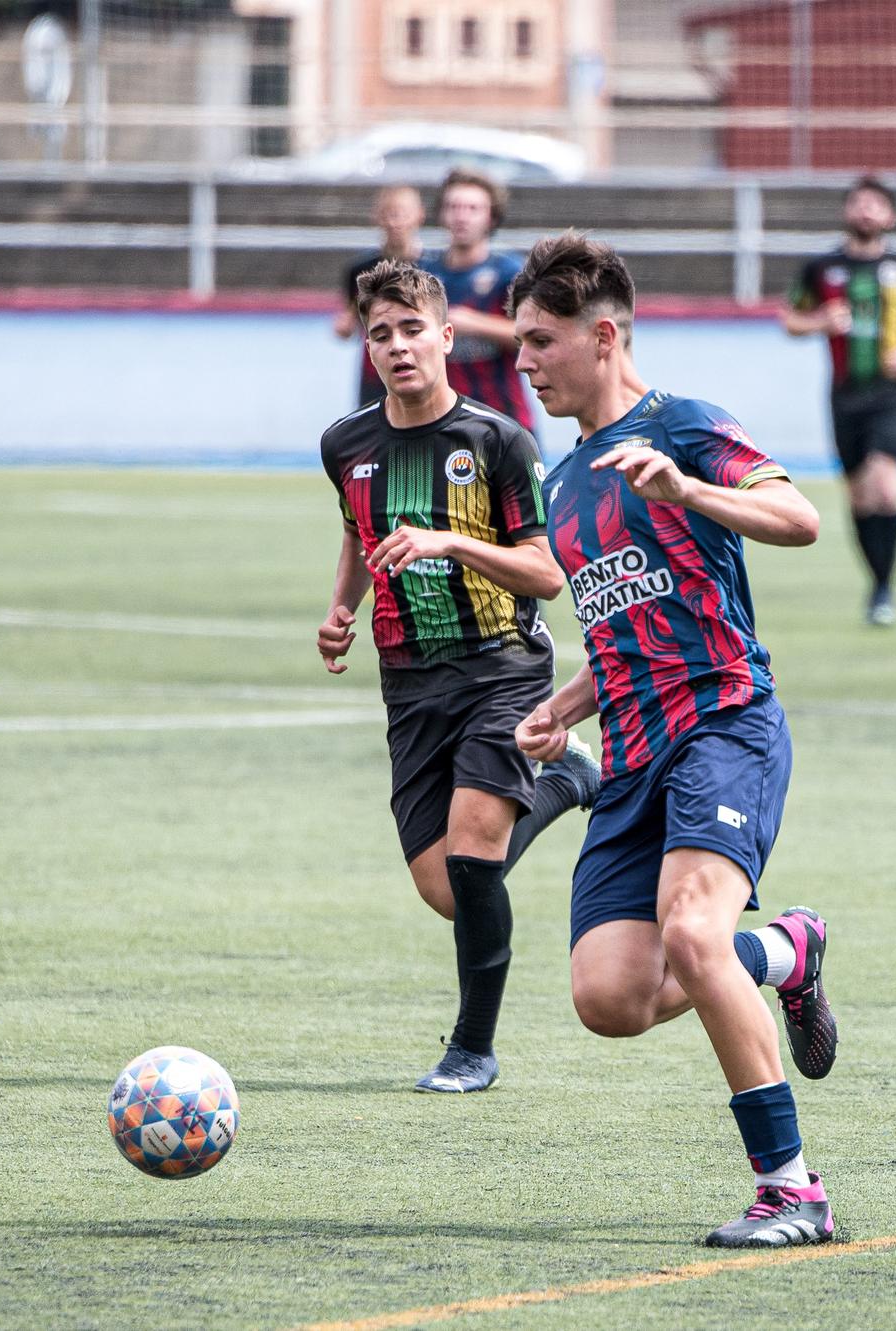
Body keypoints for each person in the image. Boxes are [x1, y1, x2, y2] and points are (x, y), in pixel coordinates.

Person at [508, 232, 841, 1248]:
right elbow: (620, 628)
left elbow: (798, 516)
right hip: (633, 756)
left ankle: (791, 1190)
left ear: (601, 334)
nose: (523, 361)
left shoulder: (683, 426)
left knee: (689, 935)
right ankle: (784, 951)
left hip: (724, 724)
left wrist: (688, 491)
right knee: (608, 997)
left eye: (539, 341)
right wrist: (566, 709)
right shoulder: (563, 485)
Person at [317, 258, 600, 1095]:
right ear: (368, 347)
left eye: (413, 330)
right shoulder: (346, 443)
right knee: (447, 888)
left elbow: (546, 573)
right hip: (409, 682)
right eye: (381, 334)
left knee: (476, 855)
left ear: (447, 336)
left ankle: (472, 1049)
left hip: (501, 671)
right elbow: (356, 530)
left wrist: (448, 542)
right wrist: (341, 609)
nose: (398, 346)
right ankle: (573, 778)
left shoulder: (497, 440)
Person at [783, 175, 896, 628]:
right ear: (847, 212)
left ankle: (885, 587)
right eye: (859, 203)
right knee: (860, 496)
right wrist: (819, 321)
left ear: (889, 216)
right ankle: (877, 584)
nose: (866, 211)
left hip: (891, 394)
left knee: (886, 485)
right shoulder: (821, 269)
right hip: (844, 395)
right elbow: (790, 320)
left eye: (875, 204)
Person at [419, 169, 534, 431]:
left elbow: (532, 335)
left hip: (505, 416)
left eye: (472, 208)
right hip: (443, 419)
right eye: (453, 207)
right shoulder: (424, 275)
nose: (462, 216)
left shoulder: (511, 272)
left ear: (491, 216)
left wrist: (472, 323)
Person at [335, 185, 426, 407]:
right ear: (377, 217)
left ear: (419, 216)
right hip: (376, 372)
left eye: (403, 214)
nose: (396, 222)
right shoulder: (360, 270)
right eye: (389, 214)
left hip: (421, 368)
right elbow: (349, 321)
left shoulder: (431, 268)